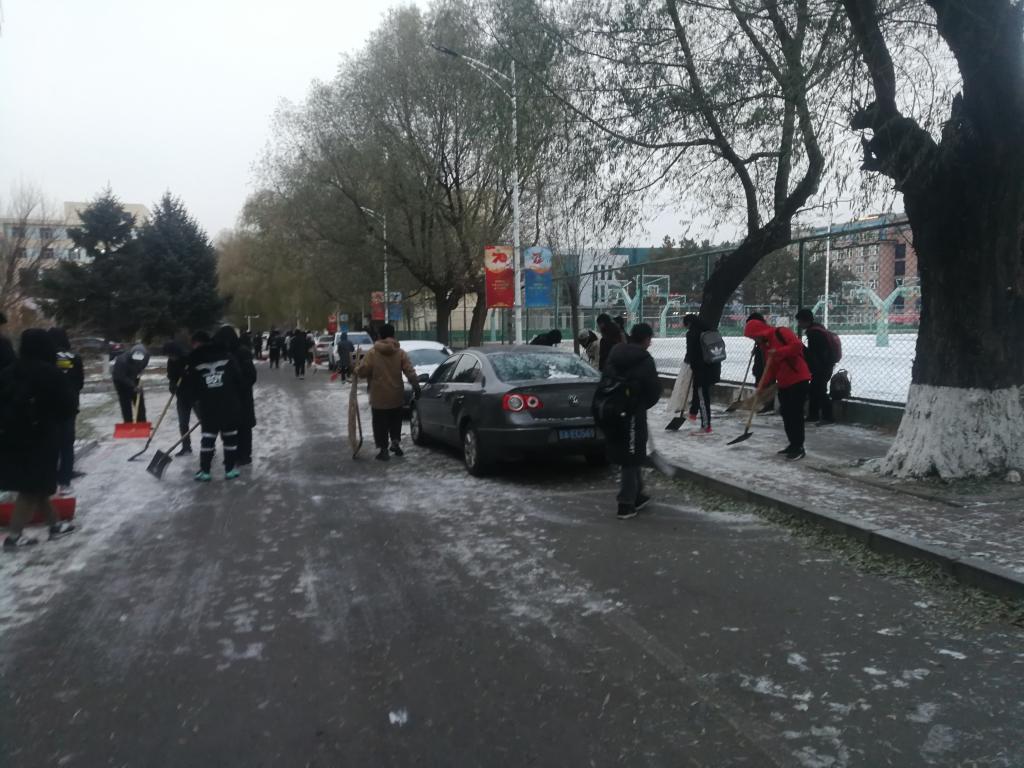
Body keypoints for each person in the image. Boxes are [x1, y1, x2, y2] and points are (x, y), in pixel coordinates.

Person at [1, 329, 77, 549]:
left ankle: (55, 525)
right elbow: (68, 406)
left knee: (38, 484)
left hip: (11, 438)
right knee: (31, 488)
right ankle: (14, 536)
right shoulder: (49, 373)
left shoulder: (8, 372)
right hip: (41, 437)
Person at [603, 323, 662, 520]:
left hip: (613, 410)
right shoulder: (644, 359)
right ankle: (625, 503)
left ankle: (637, 495)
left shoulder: (615, 353)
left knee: (630, 452)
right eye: (650, 339)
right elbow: (654, 390)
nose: (650, 343)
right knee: (631, 455)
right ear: (645, 339)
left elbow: (606, 377)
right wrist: (641, 405)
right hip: (633, 412)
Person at [182, 328, 247, 481]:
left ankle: (205, 471)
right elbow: (239, 380)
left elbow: (191, 386)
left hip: (208, 407)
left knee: (208, 439)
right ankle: (230, 470)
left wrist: (196, 399)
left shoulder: (195, 360)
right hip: (229, 405)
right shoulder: (228, 356)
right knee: (230, 438)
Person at [744, 316, 812, 461]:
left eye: (754, 337)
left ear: (760, 332)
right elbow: (771, 368)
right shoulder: (765, 345)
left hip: (798, 379)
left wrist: (778, 352)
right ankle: (792, 444)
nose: (754, 340)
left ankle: (799, 447)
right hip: (784, 382)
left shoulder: (781, 332)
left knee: (795, 414)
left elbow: (797, 346)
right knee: (786, 413)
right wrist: (762, 385)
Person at [355, 323, 421, 461]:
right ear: (393, 335)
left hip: (378, 396)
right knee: (395, 420)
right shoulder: (400, 352)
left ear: (380, 335)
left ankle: (383, 450)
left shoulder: (372, 353)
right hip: (396, 394)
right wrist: (416, 386)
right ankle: (395, 443)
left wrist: (356, 370)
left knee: (380, 423)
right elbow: (409, 371)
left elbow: (363, 371)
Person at [48, 328, 84, 496]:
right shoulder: (74, 357)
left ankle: (49, 480)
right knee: (67, 444)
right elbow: (80, 382)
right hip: (69, 406)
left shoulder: (46, 356)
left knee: (49, 443)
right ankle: (65, 481)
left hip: (48, 407)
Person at [683, 314, 721, 436]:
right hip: (713, 369)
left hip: (701, 371)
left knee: (703, 400)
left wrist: (692, 366)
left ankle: (706, 426)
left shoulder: (692, 334)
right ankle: (694, 414)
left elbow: (691, 353)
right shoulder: (710, 330)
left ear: (689, 323)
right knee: (702, 395)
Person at [796, 308, 835, 424]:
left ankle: (828, 417)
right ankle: (813, 415)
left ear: (805, 321)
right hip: (824, 366)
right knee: (814, 390)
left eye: (800, 321)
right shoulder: (817, 329)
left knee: (820, 391)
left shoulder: (814, 334)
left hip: (821, 367)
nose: (799, 324)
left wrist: (802, 348)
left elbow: (815, 354)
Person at [226, 326, 258, 466]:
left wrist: (239, 386)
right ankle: (236, 454)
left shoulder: (243, 352)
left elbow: (251, 376)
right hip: (231, 398)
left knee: (244, 427)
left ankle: (245, 455)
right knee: (234, 426)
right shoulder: (228, 353)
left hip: (243, 397)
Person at [164, 340, 195, 456]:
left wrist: (187, 374)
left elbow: (198, 374)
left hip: (195, 394)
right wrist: (172, 384)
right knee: (183, 422)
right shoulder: (171, 361)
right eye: (168, 355)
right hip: (181, 396)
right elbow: (170, 375)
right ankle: (186, 446)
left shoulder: (189, 358)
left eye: (171, 355)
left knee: (204, 420)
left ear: (176, 352)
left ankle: (209, 445)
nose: (170, 357)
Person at [111, 344, 150, 423]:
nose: (137, 362)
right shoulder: (122, 361)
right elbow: (120, 377)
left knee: (140, 404)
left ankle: (141, 423)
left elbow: (143, 365)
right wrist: (133, 386)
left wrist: (140, 370)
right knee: (126, 405)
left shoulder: (146, 356)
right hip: (121, 383)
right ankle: (128, 423)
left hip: (134, 378)